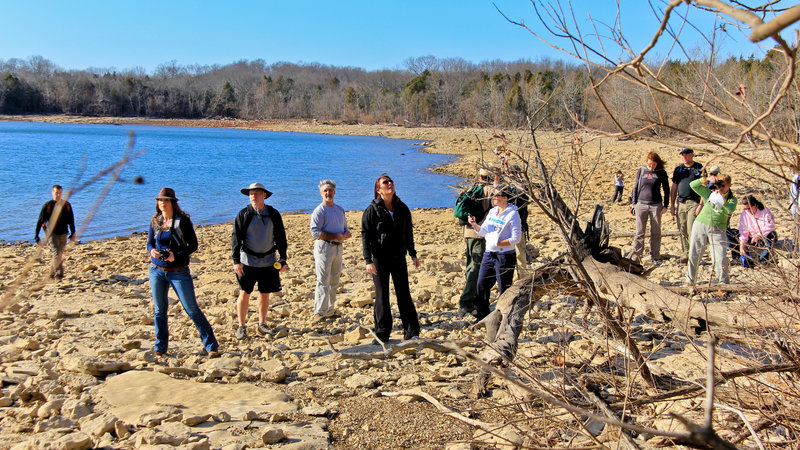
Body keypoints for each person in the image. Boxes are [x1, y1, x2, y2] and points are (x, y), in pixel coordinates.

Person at [147, 188, 219, 357]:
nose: (162, 204)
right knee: (159, 310)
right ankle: (160, 346)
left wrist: (175, 255)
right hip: (156, 270)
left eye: (166, 200)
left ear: (173, 202)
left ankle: (211, 344)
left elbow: (193, 245)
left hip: (179, 271)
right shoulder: (155, 221)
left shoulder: (183, 221)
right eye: (160, 201)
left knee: (191, 308)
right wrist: (152, 252)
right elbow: (149, 243)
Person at [361, 173, 421, 343]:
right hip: (379, 258)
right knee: (381, 296)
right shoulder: (371, 210)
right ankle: (382, 333)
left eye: (391, 181)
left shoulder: (402, 208)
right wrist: (368, 260)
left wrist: (413, 254)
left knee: (404, 293)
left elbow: (408, 232)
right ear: (378, 189)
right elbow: (365, 236)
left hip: (398, 256)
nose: (390, 184)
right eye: (385, 182)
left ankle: (412, 331)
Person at [232, 183, 288, 340]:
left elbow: (281, 237)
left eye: (256, 193)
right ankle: (242, 326)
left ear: (264, 195)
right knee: (245, 293)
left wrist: (283, 258)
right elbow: (236, 238)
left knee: (265, 294)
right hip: (247, 262)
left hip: (268, 261)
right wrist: (236, 261)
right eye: (251, 194)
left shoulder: (273, 214)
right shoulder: (243, 214)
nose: (253, 196)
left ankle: (262, 324)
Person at [468, 185, 522, 322]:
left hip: (504, 256)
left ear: (505, 198)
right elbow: (483, 231)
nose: (494, 198)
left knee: (504, 288)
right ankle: (482, 315)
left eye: (496, 196)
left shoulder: (513, 214)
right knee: (482, 284)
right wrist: (474, 225)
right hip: (489, 254)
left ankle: (504, 317)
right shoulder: (492, 211)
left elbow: (516, 238)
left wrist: (498, 243)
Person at [309, 180, 352, 320]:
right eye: (325, 191)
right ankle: (320, 311)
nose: (328, 193)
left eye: (330, 190)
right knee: (323, 280)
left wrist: (346, 233)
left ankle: (330, 309)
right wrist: (336, 236)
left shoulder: (339, 210)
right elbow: (314, 232)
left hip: (338, 248)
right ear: (321, 193)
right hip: (324, 247)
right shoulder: (319, 211)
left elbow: (344, 226)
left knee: (334, 280)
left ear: (334, 192)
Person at [686, 173, 737, 285]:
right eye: (718, 185)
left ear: (729, 185)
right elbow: (693, 185)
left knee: (720, 257)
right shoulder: (709, 193)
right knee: (694, 254)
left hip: (718, 229)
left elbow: (729, 210)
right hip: (701, 224)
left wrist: (721, 199)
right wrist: (706, 179)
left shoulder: (731, 199)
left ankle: (723, 282)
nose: (720, 188)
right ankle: (690, 281)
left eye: (723, 185)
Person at [457, 168, 493, 318]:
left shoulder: (471, 189)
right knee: (476, 269)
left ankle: (473, 299)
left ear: (480, 176)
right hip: (480, 235)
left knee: (470, 266)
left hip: (468, 233)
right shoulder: (491, 191)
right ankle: (466, 302)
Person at [629, 152, 670, 264]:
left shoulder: (661, 172)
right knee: (639, 232)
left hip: (656, 205)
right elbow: (636, 186)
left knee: (656, 232)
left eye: (654, 164)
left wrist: (665, 205)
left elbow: (666, 189)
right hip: (641, 203)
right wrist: (633, 202)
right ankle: (636, 255)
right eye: (650, 164)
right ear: (647, 161)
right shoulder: (642, 170)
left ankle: (655, 256)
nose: (652, 166)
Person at [35, 185, 76, 279]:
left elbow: (71, 220)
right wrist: (36, 236)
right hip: (51, 233)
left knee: (59, 254)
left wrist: (73, 233)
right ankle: (59, 274)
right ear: (52, 193)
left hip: (64, 233)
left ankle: (50, 274)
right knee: (56, 253)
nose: (58, 195)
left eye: (60, 193)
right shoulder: (47, 205)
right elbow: (40, 221)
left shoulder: (67, 205)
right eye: (56, 193)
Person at [669, 148, 703, 261]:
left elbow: (704, 187)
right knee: (682, 228)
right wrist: (672, 204)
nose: (683, 156)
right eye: (682, 155)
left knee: (691, 228)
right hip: (681, 202)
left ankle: (694, 254)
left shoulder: (698, 168)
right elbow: (674, 187)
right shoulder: (679, 169)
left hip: (694, 202)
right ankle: (685, 253)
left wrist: (701, 204)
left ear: (692, 155)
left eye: (686, 154)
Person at [735, 194, 776, 266]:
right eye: (746, 209)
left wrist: (759, 235)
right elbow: (743, 229)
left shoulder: (765, 211)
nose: (748, 210)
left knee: (770, 239)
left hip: (764, 235)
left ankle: (763, 260)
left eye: (749, 208)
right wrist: (742, 245)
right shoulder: (744, 214)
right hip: (751, 237)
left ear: (755, 205)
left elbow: (770, 226)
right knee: (735, 235)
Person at [791, 171, 800, 258]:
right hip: (798, 209)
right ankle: (795, 252)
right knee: (797, 231)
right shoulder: (797, 178)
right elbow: (794, 195)